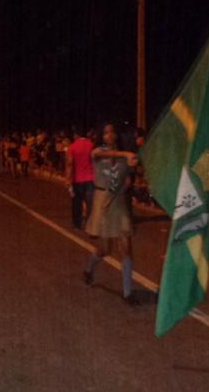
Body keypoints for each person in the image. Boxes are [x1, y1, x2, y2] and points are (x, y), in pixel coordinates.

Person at [82, 124, 140, 306]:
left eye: (113, 131)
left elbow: (128, 178)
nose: (110, 135)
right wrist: (126, 155)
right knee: (106, 249)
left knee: (126, 246)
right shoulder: (97, 151)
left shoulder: (123, 155)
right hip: (102, 201)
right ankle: (89, 268)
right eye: (106, 132)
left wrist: (129, 174)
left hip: (118, 202)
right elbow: (102, 155)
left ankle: (127, 292)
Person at [65, 126, 94, 230]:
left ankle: (77, 224)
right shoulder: (91, 145)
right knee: (90, 203)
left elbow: (69, 164)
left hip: (77, 180)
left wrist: (68, 179)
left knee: (77, 203)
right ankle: (91, 225)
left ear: (75, 135)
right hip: (90, 178)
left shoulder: (72, 147)